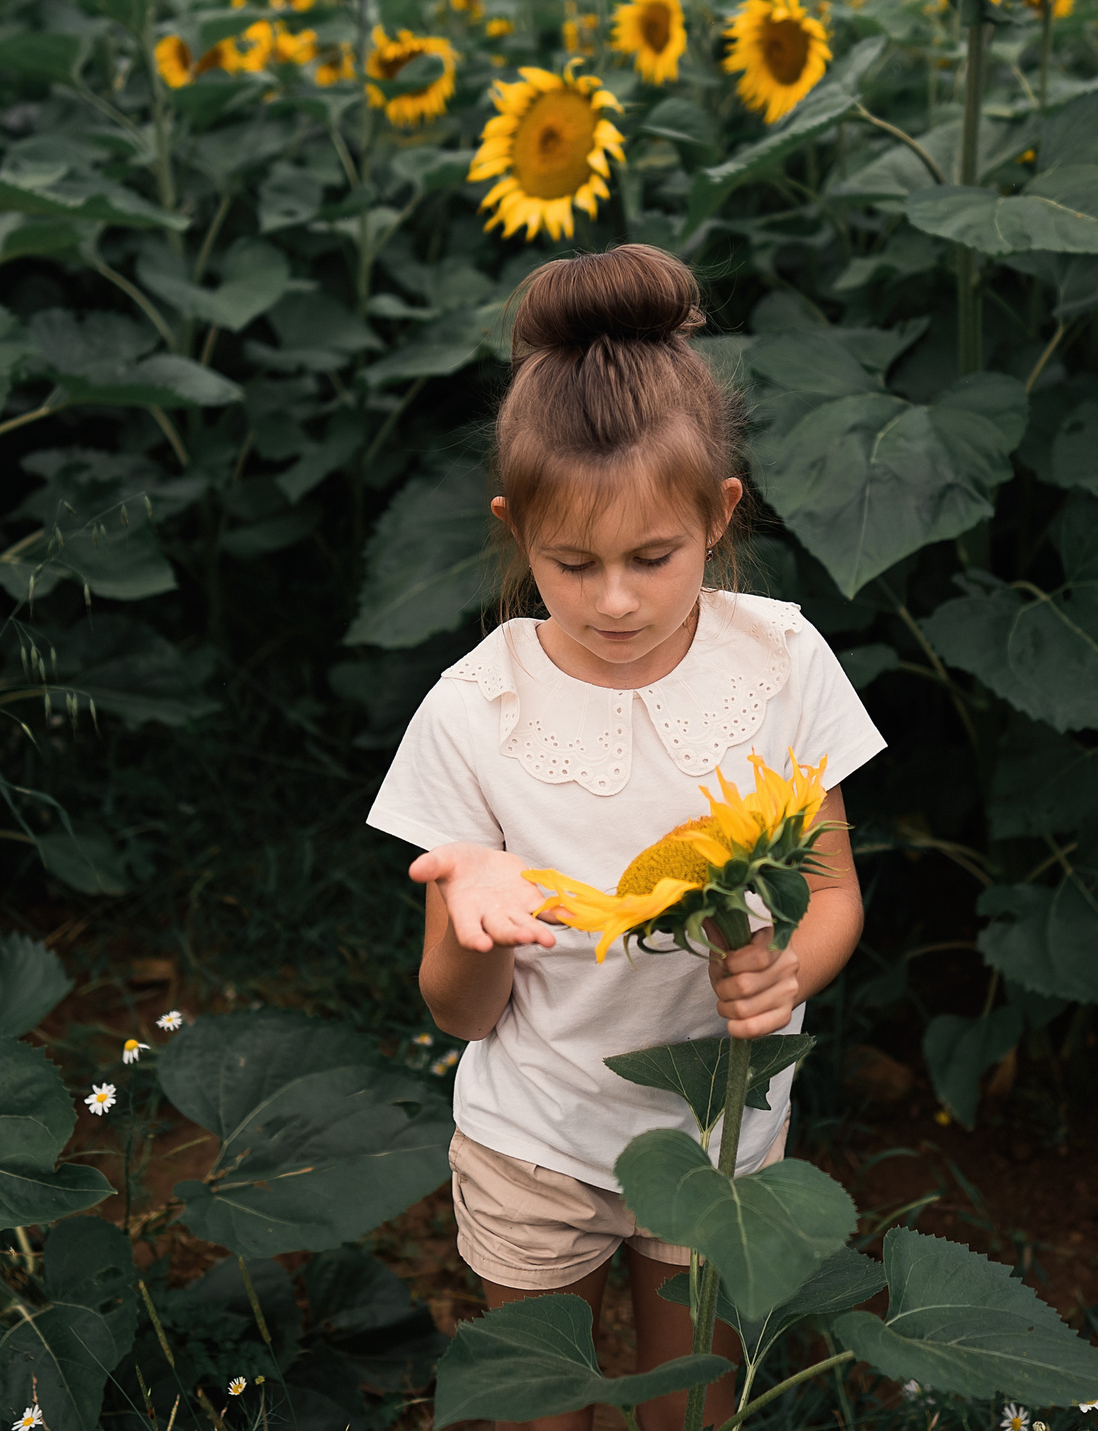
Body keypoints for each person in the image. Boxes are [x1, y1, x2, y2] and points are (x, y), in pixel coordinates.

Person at [367, 243, 886, 1431]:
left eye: (652, 558)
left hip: (715, 1124)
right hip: (533, 1134)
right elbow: (454, 1012)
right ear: (515, 531)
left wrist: (788, 974)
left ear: (719, 515)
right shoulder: (475, 710)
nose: (612, 600)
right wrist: (475, 911)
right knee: (541, 1405)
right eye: (569, 562)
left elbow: (837, 885)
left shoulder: (782, 664)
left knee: (688, 1406)